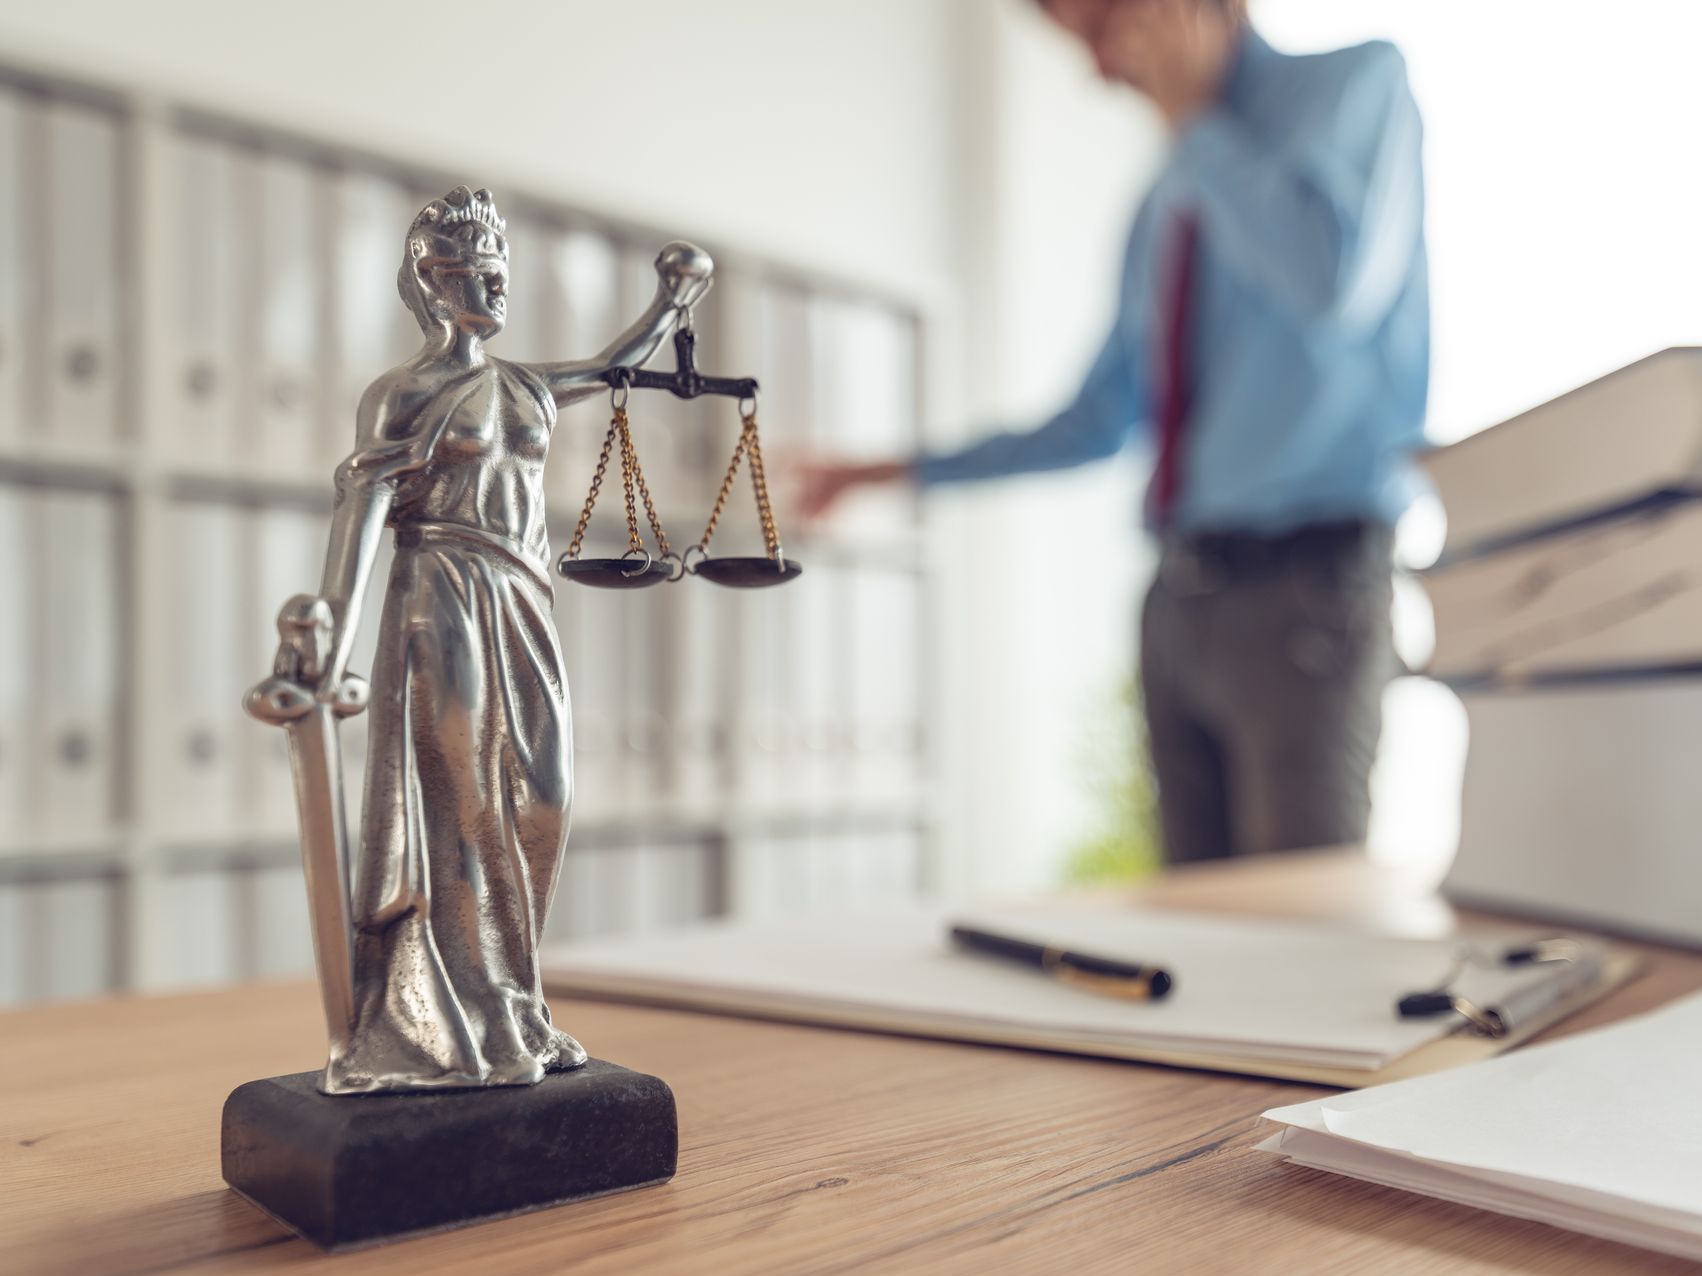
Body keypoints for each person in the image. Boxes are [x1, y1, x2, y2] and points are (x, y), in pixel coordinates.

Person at [801, 0, 1428, 863]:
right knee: (1198, 929)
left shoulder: (1355, 85)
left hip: (1307, 590)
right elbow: (1102, 418)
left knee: (1301, 926)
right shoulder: (1170, 195)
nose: (1097, 69)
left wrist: (1193, 124)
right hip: (1179, 598)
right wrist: (890, 472)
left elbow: (1330, 283)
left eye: (1100, 27)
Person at [294, 186, 711, 1093]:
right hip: (439, 590)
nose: (494, 287)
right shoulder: (400, 396)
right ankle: (453, 1023)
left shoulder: (523, 383)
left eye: (501, 272)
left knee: (542, 794)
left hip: (524, 596)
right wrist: (332, 628)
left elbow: (612, 365)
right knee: (461, 803)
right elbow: (362, 505)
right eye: (476, 272)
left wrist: (672, 303)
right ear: (432, 283)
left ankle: (518, 999)